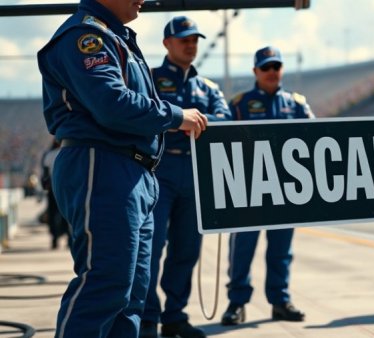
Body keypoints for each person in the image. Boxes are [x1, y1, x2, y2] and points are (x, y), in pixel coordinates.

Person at [36, 1, 208, 336]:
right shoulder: (87, 35)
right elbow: (111, 104)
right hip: (102, 165)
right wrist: (175, 116)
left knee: (130, 295)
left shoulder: (116, 37)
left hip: (133, 171)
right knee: (105, 281)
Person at [139, 16, 231, 338]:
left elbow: (224, 120)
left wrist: (182, 121)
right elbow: (145, 115)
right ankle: (147, 318)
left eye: (195, 40)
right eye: (184, 40)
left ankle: (175, 316)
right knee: (150, 248)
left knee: (187, 248)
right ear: (167, 43)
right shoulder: (148, 78)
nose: (191, 45)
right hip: (158, 170)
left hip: (195, 174)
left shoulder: (208, 87)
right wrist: (182, 122)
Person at [220, 46, 313, 325]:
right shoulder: (239, 104)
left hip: (287, 190)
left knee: (281, 250)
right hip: (247, 190)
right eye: (266, 67)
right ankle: (237, 303)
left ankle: (280, 300)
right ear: (255, 72)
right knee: (242, 248)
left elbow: (318, 138)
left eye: (276, 67)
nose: (272, 72)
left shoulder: (296, 104)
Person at [41, 139, 71, 250]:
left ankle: (54, 239)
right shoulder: (67, 153)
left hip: (52, 189)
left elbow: (44, 175)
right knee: (66, 214)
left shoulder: (49, 155)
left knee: (52, 214)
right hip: (65, 188)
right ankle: (68, 238)